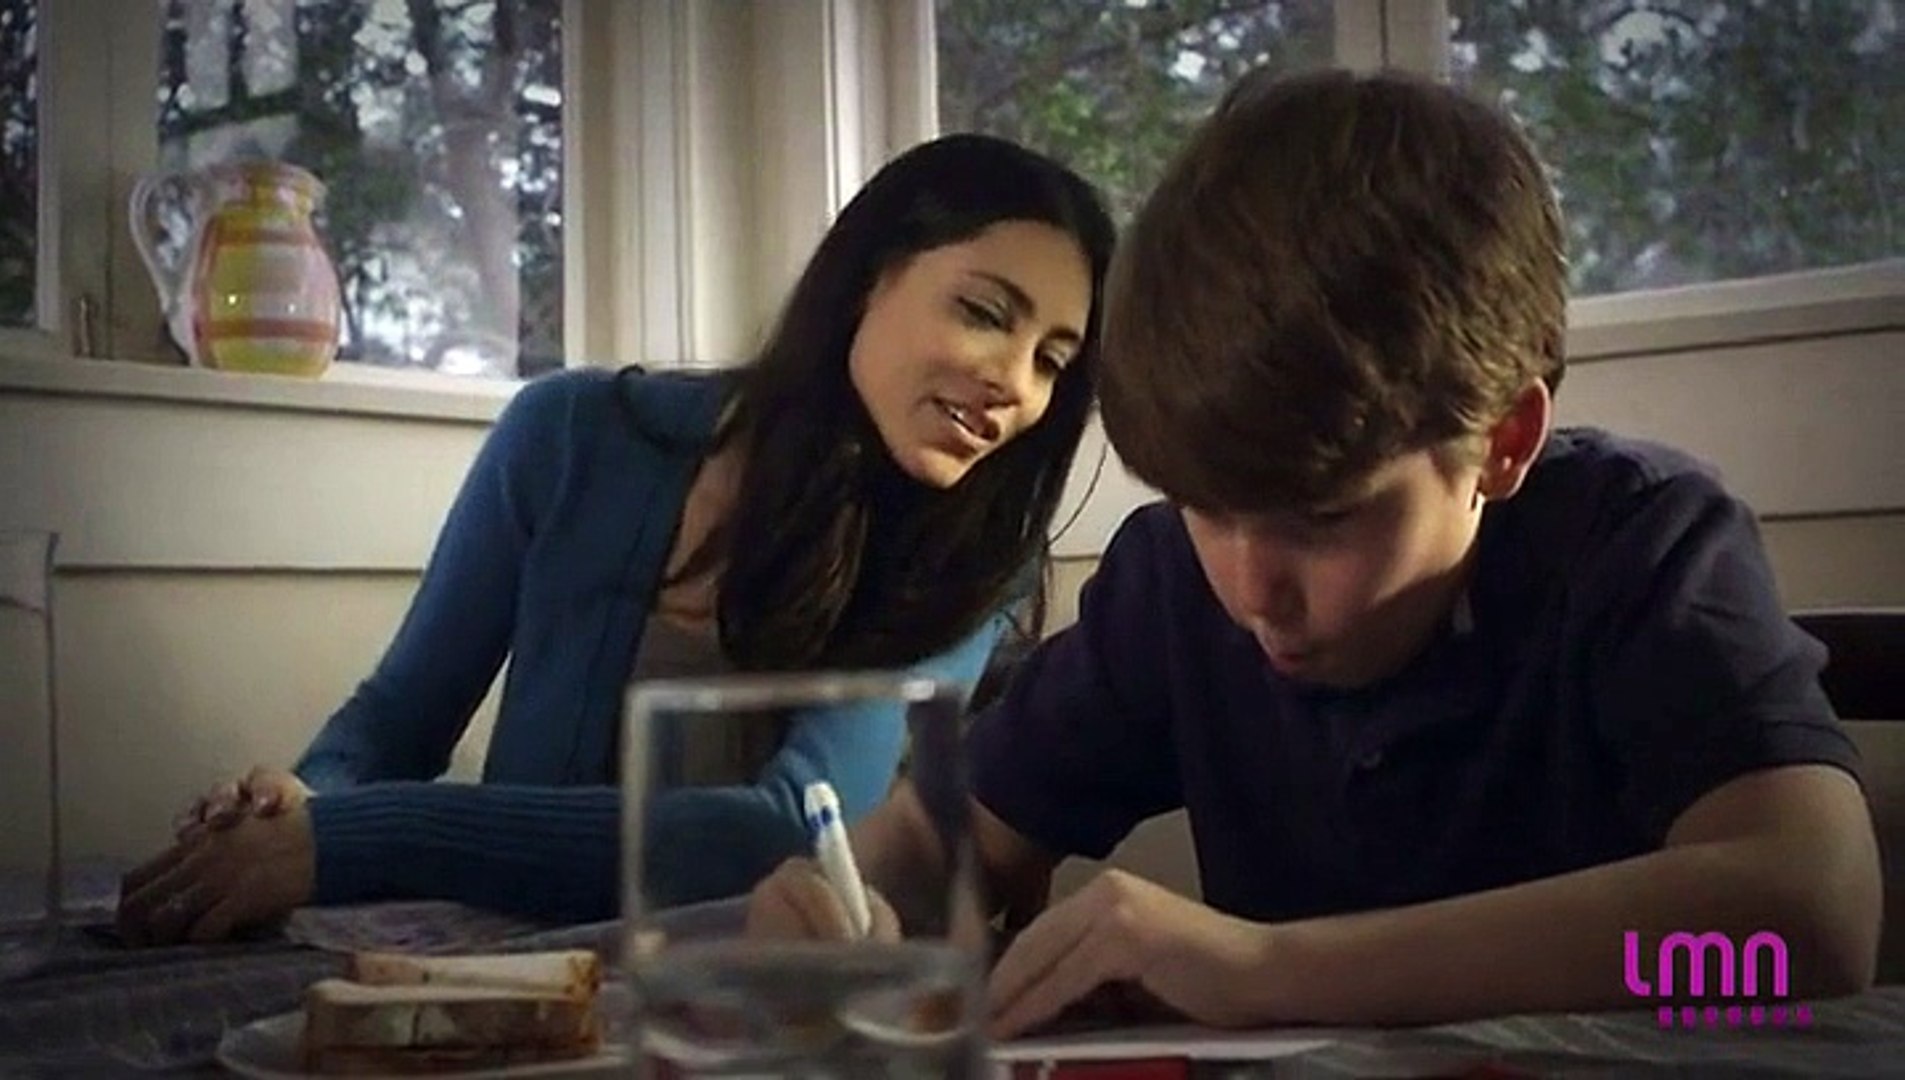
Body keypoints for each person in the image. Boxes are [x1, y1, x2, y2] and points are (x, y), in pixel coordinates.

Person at [747, 68, 1882, 1035]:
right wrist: (850, 911)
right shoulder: (1170, 584)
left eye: (1325, 519)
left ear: (1501, 443)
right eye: (1204, 506)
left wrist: (1273, 970)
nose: (1253, 592)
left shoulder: (1641, 546)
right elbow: (936, 842)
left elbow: (1811, 934)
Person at [115, 133, 1118, 945]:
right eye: (985, 314)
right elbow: (395, 720)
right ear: (868, 277)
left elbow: (784, 832)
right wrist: (302, 803)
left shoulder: (975, 557)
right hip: (496, 970)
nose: (1015, 384)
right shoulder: (567, 434)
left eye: (1053, 360)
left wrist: (352, 838)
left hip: (754, 1013)